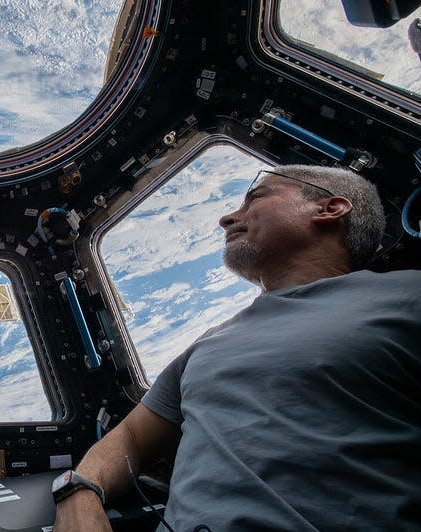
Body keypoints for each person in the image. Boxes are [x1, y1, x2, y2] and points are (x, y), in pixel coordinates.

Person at [53, 165, 421, 531]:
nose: (227, 218)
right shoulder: (208, 344)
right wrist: (80, 491)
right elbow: (130, 437)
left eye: (256, 198)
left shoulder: (408, 296)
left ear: (329, 209)